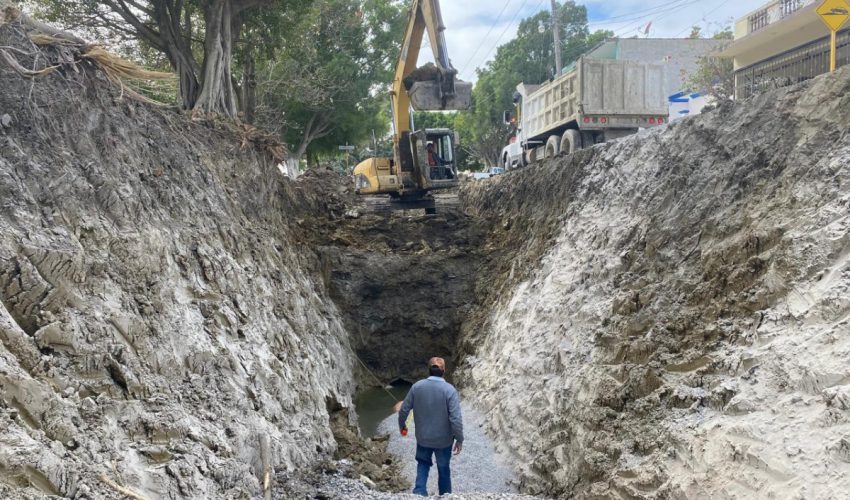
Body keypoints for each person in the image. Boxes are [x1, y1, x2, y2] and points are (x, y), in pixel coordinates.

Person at [398, 357, 464, 496]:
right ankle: (445, 495)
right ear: (444, 371)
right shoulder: (449, 390)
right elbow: (455, 419)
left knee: (422, 464)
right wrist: (459, 439)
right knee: (443, 468)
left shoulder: (417, 387)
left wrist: (402, 426)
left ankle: (419, 493)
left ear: (428, 370)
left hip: (423, 438)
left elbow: (404, 409)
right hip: (444, 441)